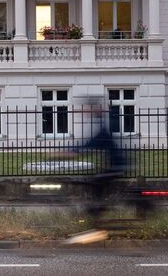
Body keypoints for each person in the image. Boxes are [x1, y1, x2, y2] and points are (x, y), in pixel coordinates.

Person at [58, 97, 130, 245]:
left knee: (95, 182)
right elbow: (93, 142)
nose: (85, 113)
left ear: (95, 109)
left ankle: (99, 220)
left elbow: (92, 143)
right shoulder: (103, 122)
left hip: (117, 166)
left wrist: (71, 151)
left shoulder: (104, 126)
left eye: (88, 109)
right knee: (94, 180)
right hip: (115, 164)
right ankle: (98, 211)